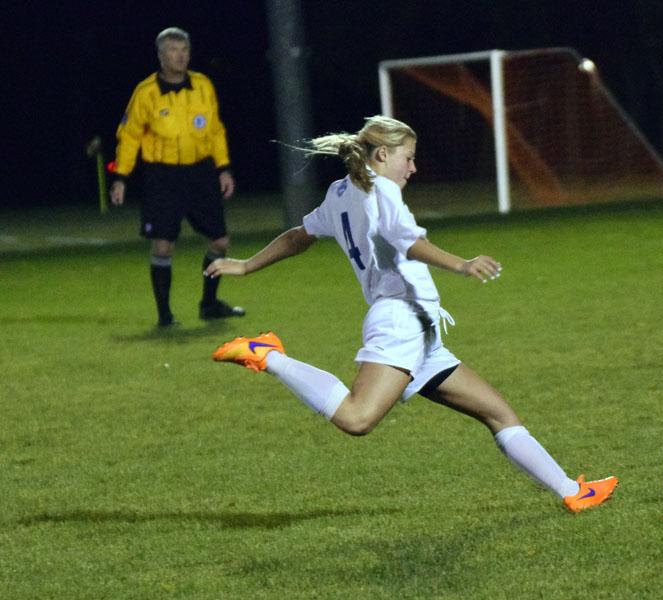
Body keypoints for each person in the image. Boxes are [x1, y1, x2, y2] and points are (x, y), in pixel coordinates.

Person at [206, 116, 617, 513]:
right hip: (401, 318)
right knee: (357, 418)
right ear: (382, 155)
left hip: (420, 328)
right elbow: (407, 242)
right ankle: (269, 354)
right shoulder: (382, 192)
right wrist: (461, 263)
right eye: (409, 157)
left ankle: (572, 491)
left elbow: (301, 236)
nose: (414, 168)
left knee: (498, 413)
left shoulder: (340, 191)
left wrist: (245, 265)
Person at [110, 27, 244, 327]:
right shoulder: (146, 93)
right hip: (163, 177)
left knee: (220, 241)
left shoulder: (202, 85)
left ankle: (209, 304)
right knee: (162, 246)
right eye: (173, 50)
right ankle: (165, 316)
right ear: (161, 56)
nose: (180, 55)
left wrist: (223, 168)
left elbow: (215, 130)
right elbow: (129, 136)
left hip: (200, 173)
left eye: (184, 49)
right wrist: (120, 176)